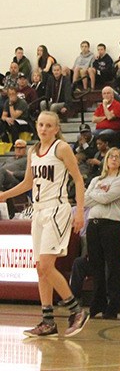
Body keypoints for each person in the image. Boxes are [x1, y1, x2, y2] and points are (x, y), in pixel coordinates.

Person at [0, 111, 89, 337]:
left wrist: (79, 211)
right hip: (38, 212)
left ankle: (76, 310)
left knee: (47, 266)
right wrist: (4, 195)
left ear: (56, 128)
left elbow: (78, 179)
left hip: (56, 209)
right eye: (40, 124)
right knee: (40, 269)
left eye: (49, 125)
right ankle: (47, 321)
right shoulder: (33, 151)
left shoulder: (61, 148)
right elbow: (28, 182)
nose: (44, 129)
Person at [84, 147, 120, 319]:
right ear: (106, 159)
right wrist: (100, 193)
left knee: (112, 266)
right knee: (96, 266)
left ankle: (113, 305)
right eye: (111, 156)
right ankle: (98, 303)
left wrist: (97, 194)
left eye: (117, 157)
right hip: (93, 224)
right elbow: (85, 201)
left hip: (112, 225)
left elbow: (105, 198)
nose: (114, 159)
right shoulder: (96, 179)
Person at [70, 218, 120, 304]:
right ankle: (75, 297)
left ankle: (107, 299)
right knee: (79, 262)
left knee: (109, 263)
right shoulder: (97, 226)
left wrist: (119, 254)